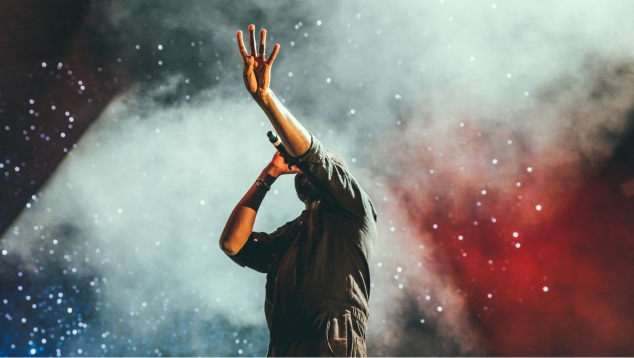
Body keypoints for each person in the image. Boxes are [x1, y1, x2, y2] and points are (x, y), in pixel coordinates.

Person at [219, 24, 377, 357]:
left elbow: (312, 155)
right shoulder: (289, 234)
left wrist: (265, 98)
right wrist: (268, 175)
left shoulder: (353, 207)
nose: (303, 167)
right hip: (283, 345)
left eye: (315, 167)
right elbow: (232, 244)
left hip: (331, 339)